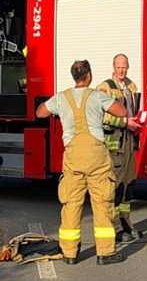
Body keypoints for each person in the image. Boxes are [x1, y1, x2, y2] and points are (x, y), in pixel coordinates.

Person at [37, 59, 130, 264]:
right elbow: (122, 112)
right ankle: (105, 253)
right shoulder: (97, 96)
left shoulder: (61, 97)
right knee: (102, 203)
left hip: (72, 156)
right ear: (89, 76)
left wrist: (58, 109)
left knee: (71, 203)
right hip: (96, 156)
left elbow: (40, 112)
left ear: (74, 77)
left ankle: (69, 253)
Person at [96, 54, 142, 242]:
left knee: (128, 186)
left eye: (124, 67)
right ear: (113, 67)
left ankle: (126, 222)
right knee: (114, 187)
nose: (121, 71)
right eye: (118, 67)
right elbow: (102, 116)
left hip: (130, 143)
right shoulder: (105, 87)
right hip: (115, 145)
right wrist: (124, 123)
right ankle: (114, 227)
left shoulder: (131, 86)